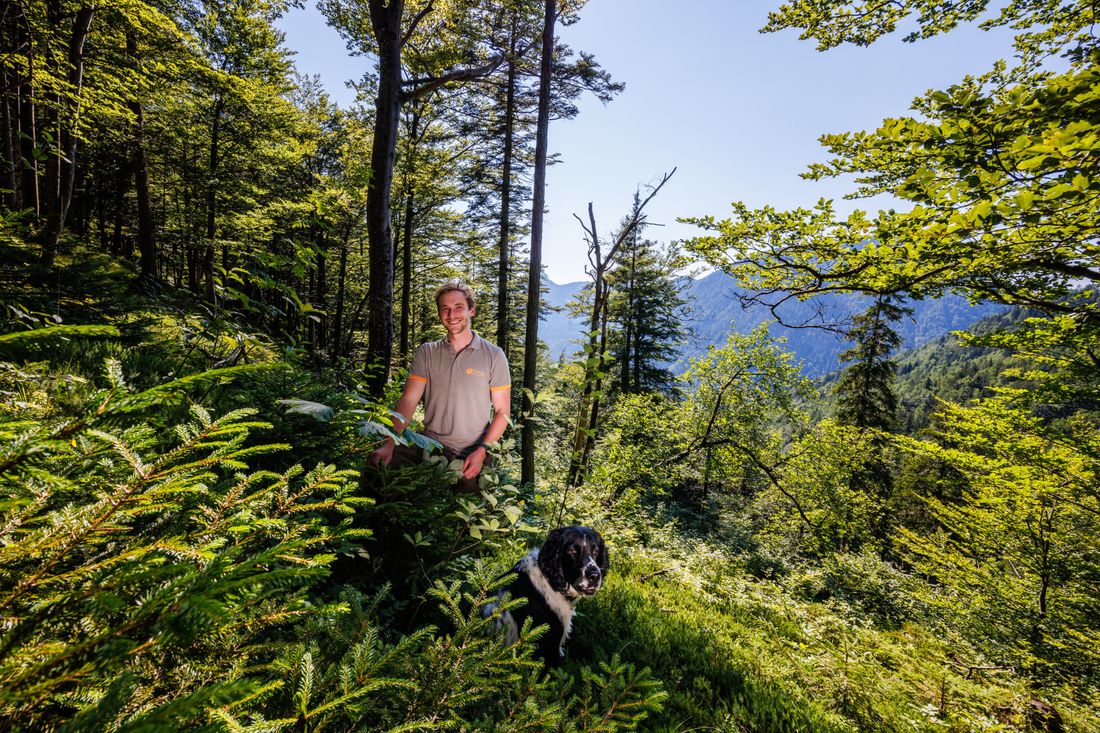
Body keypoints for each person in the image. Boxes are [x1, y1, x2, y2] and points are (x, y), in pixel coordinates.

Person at [369, 280, 511, 492]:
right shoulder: (427, 352)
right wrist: (388, 443)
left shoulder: (494, 355)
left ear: (471, 310)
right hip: (430, 444)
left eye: (458, 308)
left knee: (466, 514)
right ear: (439, 314)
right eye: (445, 309)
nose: (451, 315)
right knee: (378, 465)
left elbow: (502, 412)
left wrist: (482, 450)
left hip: (472, 451)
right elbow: (408, 401)